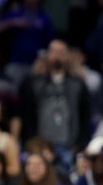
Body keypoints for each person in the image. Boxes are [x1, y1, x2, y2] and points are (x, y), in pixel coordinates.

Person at [19, 40, 93, 171]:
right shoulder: (34, 83)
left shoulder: (78, 84)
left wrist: (80, 145)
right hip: (41, 147)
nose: (57, 55)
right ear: (47, 55)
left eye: (61, 52)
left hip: (69, 147)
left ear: (68, 56)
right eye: (54, 51)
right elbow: (26, 114)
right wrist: (33, 143)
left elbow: (86, 116)